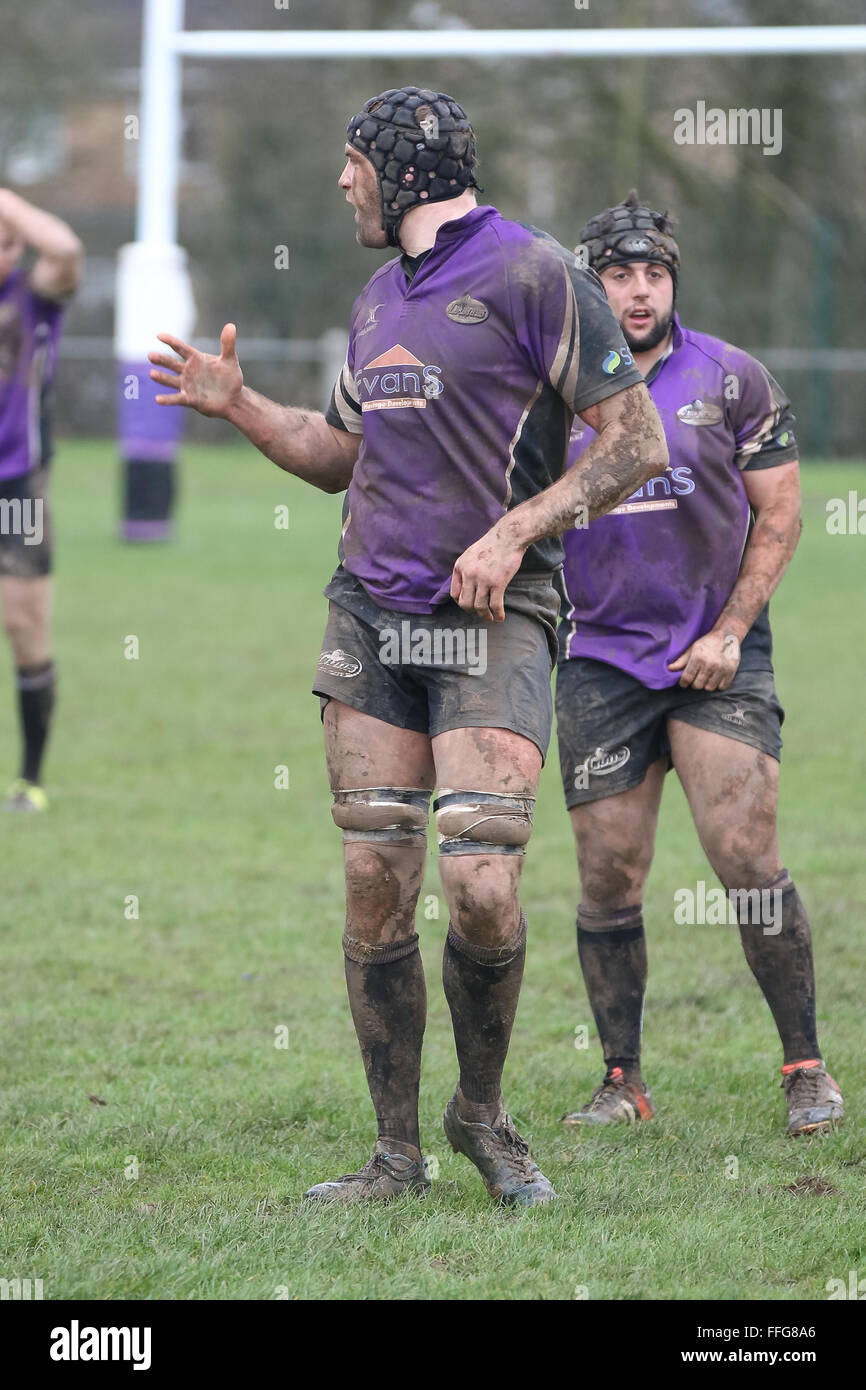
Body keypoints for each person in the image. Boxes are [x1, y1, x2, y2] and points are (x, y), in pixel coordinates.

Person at [149, 92, 667, 1204]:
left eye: (352, 166)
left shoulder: (535, 275)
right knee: (374, 881)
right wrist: (240, 408)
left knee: (480, 884)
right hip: (369, 617)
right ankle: (395, 1153)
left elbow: (636, 440)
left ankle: (480, 1115)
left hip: (495, 617)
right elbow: (340, 452)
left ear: (403, 171)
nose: (341, 185)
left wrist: (517, 528)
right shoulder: (377, 296)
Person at [556, 190, 843, 1137]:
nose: (638, 293)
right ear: (589, 286)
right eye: (618, 276)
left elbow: (783, 513)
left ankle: (805, 1066)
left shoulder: (732, 378)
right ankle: (621, 1082)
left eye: (654, 274)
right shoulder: (546, 390)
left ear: (672, 279)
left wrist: (730, 630)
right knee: (609, 874)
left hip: (717, 650)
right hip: (598, 659)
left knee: (746, 851)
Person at [0, 190, 82, 812]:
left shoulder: (34, 298)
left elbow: (66, 248)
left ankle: (29, 780)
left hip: (16, 484)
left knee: (24, 626)